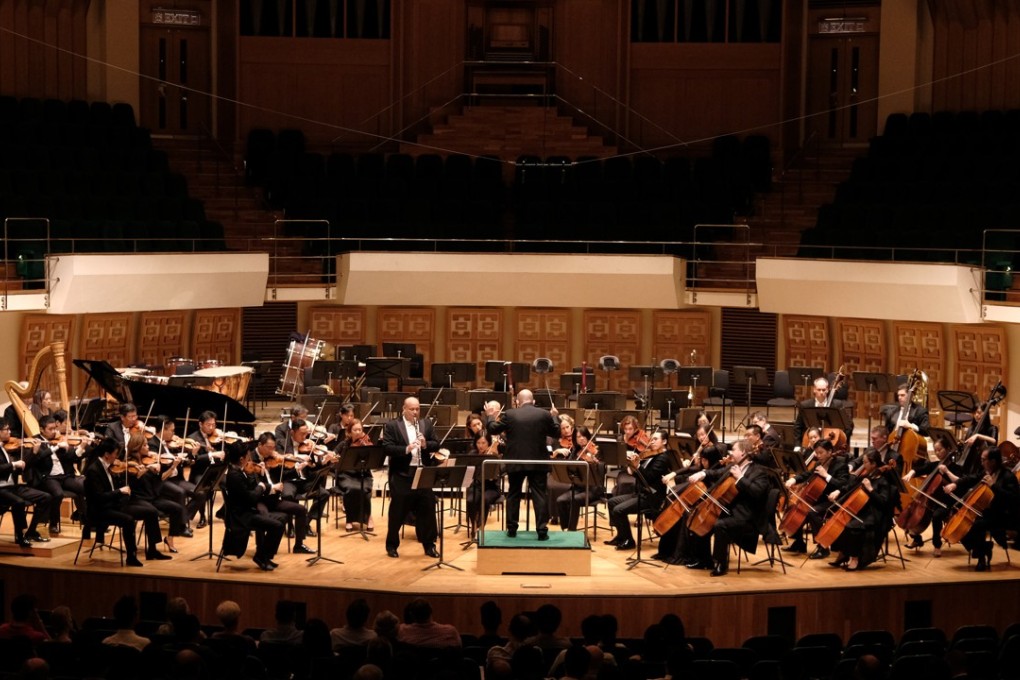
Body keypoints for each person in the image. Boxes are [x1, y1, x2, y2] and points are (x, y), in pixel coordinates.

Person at [686, 439, 771, 576]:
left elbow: (757, 493)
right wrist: (703, 473)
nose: (731, 452)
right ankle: (704, 559)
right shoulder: (732, 466)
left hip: (747, 516)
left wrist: (741, 478)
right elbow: (717, 473)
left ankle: (721, 563)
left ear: (743, 452)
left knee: (720, 525)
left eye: (734, 450)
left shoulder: (759, 472)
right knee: (702, 517)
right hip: (730, 510)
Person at [488, 388, 560, 540]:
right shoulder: (544, 414)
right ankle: (541, 530)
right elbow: (557, 433)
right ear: (533, 401)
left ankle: (512, 529)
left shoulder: (510, 414)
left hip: (516, 461)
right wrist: (554, 417)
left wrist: (490, 416)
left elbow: (492, 429)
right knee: (539, 495)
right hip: (537, 461)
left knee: (513, 494)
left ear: (517, 402)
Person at [82, 437, 164, 567]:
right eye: (115, 454)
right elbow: (99, 497)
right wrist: (120, 491)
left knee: (151, 511)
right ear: (107, 454)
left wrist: (137, 476)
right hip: (101, 509)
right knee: (128, 520)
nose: (117, 457)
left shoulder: (110, 466)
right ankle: (131, 556)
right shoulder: (94, 470)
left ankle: (152, 550)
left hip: (116, 503)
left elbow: (126, 485)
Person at [941, 446, 1020, 571]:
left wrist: (993, 486)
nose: (981, 462)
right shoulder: (986, 472)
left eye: (984, 460)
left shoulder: (1008, 476)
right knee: (964, 528)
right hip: (987, 513)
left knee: (975, 527)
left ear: (993, 462)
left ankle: (981, 558)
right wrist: (955, 484)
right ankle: (984, 549)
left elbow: (1013, 499)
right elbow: (970, 478)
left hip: (1003, 515)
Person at [380, 397, 440, 558]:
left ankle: (429, 545)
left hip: (422, 472)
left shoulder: (426, 424)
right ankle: (391, 545)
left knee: (427, 508)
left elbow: (437, 444)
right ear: (404, 409)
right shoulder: (393, 425)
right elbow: (387, 447)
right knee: (397, 511)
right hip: (402, 474)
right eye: (412, 409)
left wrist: (426, 444)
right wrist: (406, 448)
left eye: (417, 409)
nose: (415, 412)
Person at [825, 449, 897, 571]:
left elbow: (883, 503)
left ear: (873, 464)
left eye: (865, 462)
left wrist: (870, 489)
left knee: (851, 527)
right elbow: (849, 487)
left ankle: (855, 558)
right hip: (861, 511)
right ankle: (844, 553)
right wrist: (838, 492)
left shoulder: (883, 481)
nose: (863, 465)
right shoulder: (866, 476)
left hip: (875, 514)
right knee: (841, 522)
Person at [222, 441, 285, 571]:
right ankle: (261, 557)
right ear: (241, 459)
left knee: (282, 518)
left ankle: (265, 556)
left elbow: (249, 490)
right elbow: (251, 498)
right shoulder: (234, 476)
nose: (250, 459)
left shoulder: (239, 471)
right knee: (277, 525)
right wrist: (261, 487)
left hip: (248, 510)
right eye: (248, 456)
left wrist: (258, 478)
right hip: (242, 516)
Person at [783, 439, 850, 559]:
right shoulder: (819, 464)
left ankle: (822, 548)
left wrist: (827, 476)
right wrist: (794, 479)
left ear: (830, 452)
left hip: (833, 500)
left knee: (812, 512)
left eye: (821, 452)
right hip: (818, 498)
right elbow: (808, 474)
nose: (818, 456)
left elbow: (843, 485)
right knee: (796, 507)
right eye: (816, 453)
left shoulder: (841, 464)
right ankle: (799, 543)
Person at [604, 430, 671, 551]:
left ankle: (629, 541)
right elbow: (639, 475)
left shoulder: (663, 458)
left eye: (656, 439)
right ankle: (621, 536)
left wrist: (637, 466)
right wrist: (632, 466)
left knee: (619, 510)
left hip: (651, 498)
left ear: (664, 441)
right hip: (640, 494)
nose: (652, 441)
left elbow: (649, 477)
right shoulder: (652, 455)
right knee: (612, 502)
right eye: (652, 439)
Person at [251, 433, 315, 554]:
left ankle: (299, 545)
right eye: (268, 448)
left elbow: (284, 475)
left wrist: (296, 470)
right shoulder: (250, 459)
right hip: (258, 500)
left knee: (300, 510)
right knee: (263, 516)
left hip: (272, 500)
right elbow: (252, 484)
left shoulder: (274, 459)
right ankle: (261, 549)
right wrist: (271, 486)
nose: (272, 451)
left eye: (273, 448)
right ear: (260, 445)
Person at [23, 415, 87, 536]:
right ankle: (53, 523)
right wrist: (56, 447)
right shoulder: (35, 441)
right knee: (58, 494)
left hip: (64, 476)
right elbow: (40, 457)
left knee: (84, 488)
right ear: (42, 429)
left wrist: (80, 448)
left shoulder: (59, 439)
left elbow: (70, 457)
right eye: (50, 429)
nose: (54, 432)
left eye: (54, 429)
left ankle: (88, 520)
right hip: (47, 477)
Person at [125, 432, 187, 554]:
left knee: (177, 508)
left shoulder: (148, 460)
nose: (148, 448)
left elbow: (162, 478)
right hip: (138, 499)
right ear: (137, 447)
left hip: (152, 497)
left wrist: (173, 466)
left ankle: (170, 539)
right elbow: (135, 477)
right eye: (145, 445)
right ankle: (153, 549)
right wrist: (148, 467)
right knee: (152, 513)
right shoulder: (130, 463)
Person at [901, 436, 960, 557]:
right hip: (930, 501)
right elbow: (919, 469)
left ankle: (937, 545)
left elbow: (960, 482)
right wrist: (910, 473)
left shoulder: (955, 468)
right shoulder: (935, 465)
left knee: (937, 516)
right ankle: (917, 538)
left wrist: (947, 472)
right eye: (936, 450)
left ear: (948, 449)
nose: (938, 453)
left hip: (946, 502)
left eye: (940, 450)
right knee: (911, 514)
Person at [0, 418, 48, 546]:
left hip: (13, 486)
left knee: (45, 497)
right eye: (6, 429)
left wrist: (34, 452)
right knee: (19, 502)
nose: (10, 432)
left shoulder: (4, 447)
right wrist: (14, 464)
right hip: (1, 489)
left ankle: (31, 532)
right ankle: (20, 536)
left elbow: (24, 465)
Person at [553, 426, 604, 531]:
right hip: (578, 487)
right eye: (578, 437)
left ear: (588, 436)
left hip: (593, 489)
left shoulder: (596, 451)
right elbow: (570, 468)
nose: (581, 439)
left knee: (574, 500)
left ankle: (572, 530)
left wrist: (594, 462)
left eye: (583, 436)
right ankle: (565, 528)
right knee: (560, 500)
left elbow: (601, 470)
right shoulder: (575, 451)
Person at [333, 419, 376, 532]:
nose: (358, 432)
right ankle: (349, 520)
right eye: (355, 430)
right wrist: (334, 457)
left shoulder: (366, 443)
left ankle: (368, 517)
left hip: (363, 475)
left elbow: (372, 460)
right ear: (349, 431)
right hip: (346, 475)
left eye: (360, 430)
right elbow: (334, 453)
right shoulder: (344, 444)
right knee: (351, 489)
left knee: (365, 489)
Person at [793, 376, 853, 446]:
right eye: (819, 390)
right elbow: (798, 426)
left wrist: (839, 438)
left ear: (827, 390)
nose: (821, 392)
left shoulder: (837, 405)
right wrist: (797, 445)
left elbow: (849, 425)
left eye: (824, 390)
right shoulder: (805, 405)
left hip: (831, 443)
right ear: (814, 390)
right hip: (810, 443)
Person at [397, 597, 461, 649]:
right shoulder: (450, 632)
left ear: (411, 615)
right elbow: (459, 648)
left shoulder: (402, 631)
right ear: (431, 610)